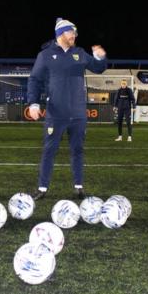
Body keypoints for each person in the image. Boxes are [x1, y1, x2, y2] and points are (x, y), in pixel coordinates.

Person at [27, 18, 107, 200]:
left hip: (78, 114)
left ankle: (78, 187)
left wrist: (100, 57)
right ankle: (42, 188)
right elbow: (34, 80)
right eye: (72, 32)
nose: (75, 36)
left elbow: (98, 68)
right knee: (49, 151)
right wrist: (33, 103)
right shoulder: (45, 55)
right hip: (56, 114)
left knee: (77, 150)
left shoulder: (79, 53)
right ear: (62, 33)